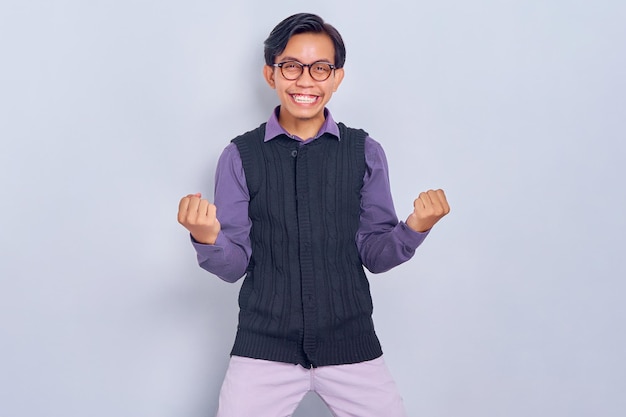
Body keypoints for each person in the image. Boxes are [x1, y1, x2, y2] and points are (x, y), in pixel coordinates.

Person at [177, 13, 450, 417]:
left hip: (350, 342)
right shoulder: (239, 156)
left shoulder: (365, 152)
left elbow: (375, 254)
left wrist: (414, 229)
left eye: (321, 68)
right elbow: (234, 265)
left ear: (337, 77)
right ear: (271, 74)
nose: (306, 81)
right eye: (291, 66)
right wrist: (207, 237)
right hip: (264, 346)